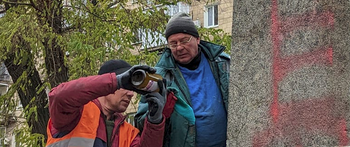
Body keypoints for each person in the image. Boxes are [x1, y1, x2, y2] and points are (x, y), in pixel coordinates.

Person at [135, 13, 230, 147]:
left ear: (197, 39)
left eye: (184, 40)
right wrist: (156, 113)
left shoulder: (222, 63)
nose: (179, 47)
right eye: (173, 43)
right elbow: (140, 124)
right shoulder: (159, 77)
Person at [46, 59, 174, 147]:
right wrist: (116, 81)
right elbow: (58, 97)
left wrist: (155, 119)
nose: (131, 94)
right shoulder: (77, 113)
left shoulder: (128, 132)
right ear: (108, 88)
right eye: (127, 87)